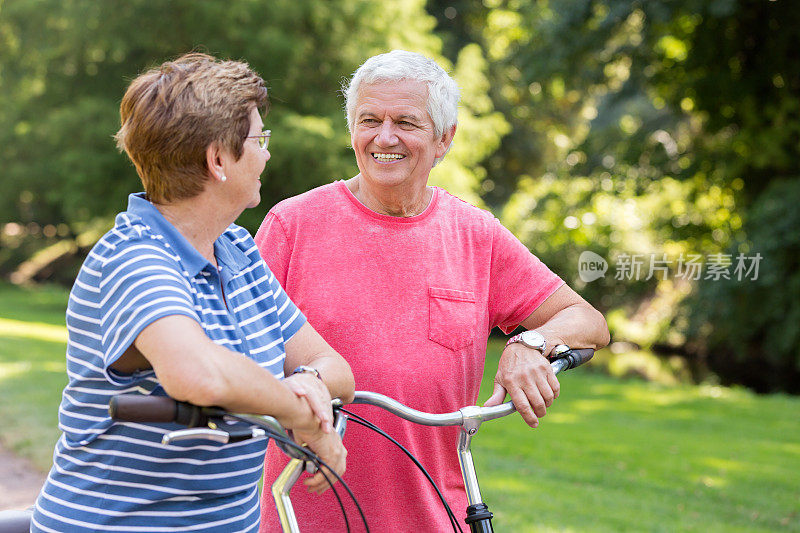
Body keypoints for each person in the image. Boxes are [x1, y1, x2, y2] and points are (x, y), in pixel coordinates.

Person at [254, 50, 610, 531]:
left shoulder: (475, 235)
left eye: (405, 122)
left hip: (436, 517)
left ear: (444, 139)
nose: (384, 137)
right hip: (301, 515)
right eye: (369, 120)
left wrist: (531, 343)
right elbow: (236, 359)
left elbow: (588, 321)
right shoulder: (292, 225)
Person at [31, 53, 354, 533]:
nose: (267, 153)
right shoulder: (134, 257)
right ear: (218, 160)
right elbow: (196, 374)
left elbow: (337, 370)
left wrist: (308, 384)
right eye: (259, 139)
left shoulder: (239, 252)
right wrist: (299, 413)